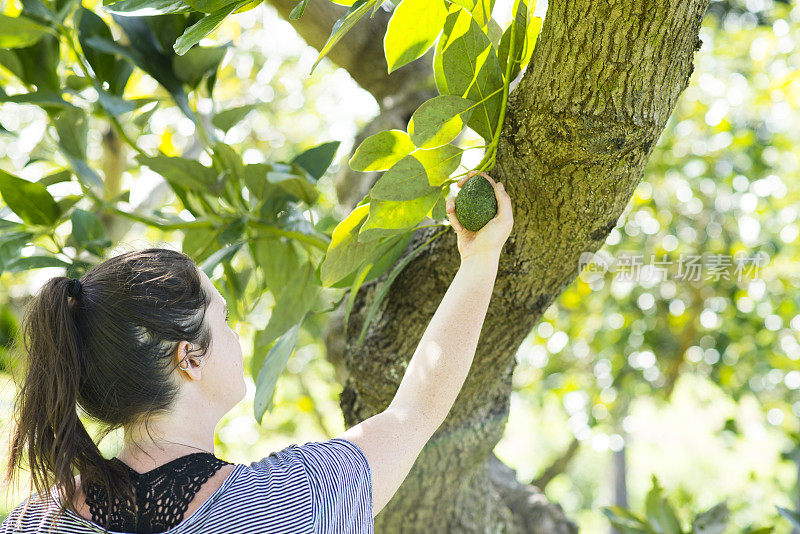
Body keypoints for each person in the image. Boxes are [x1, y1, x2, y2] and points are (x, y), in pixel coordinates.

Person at [0, 171, 513, 534]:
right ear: (190, 357)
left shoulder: (29, 523)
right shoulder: (295, 499)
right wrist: (481, 256)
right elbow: (415, 412)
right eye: (222, 318)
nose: (237, 333)